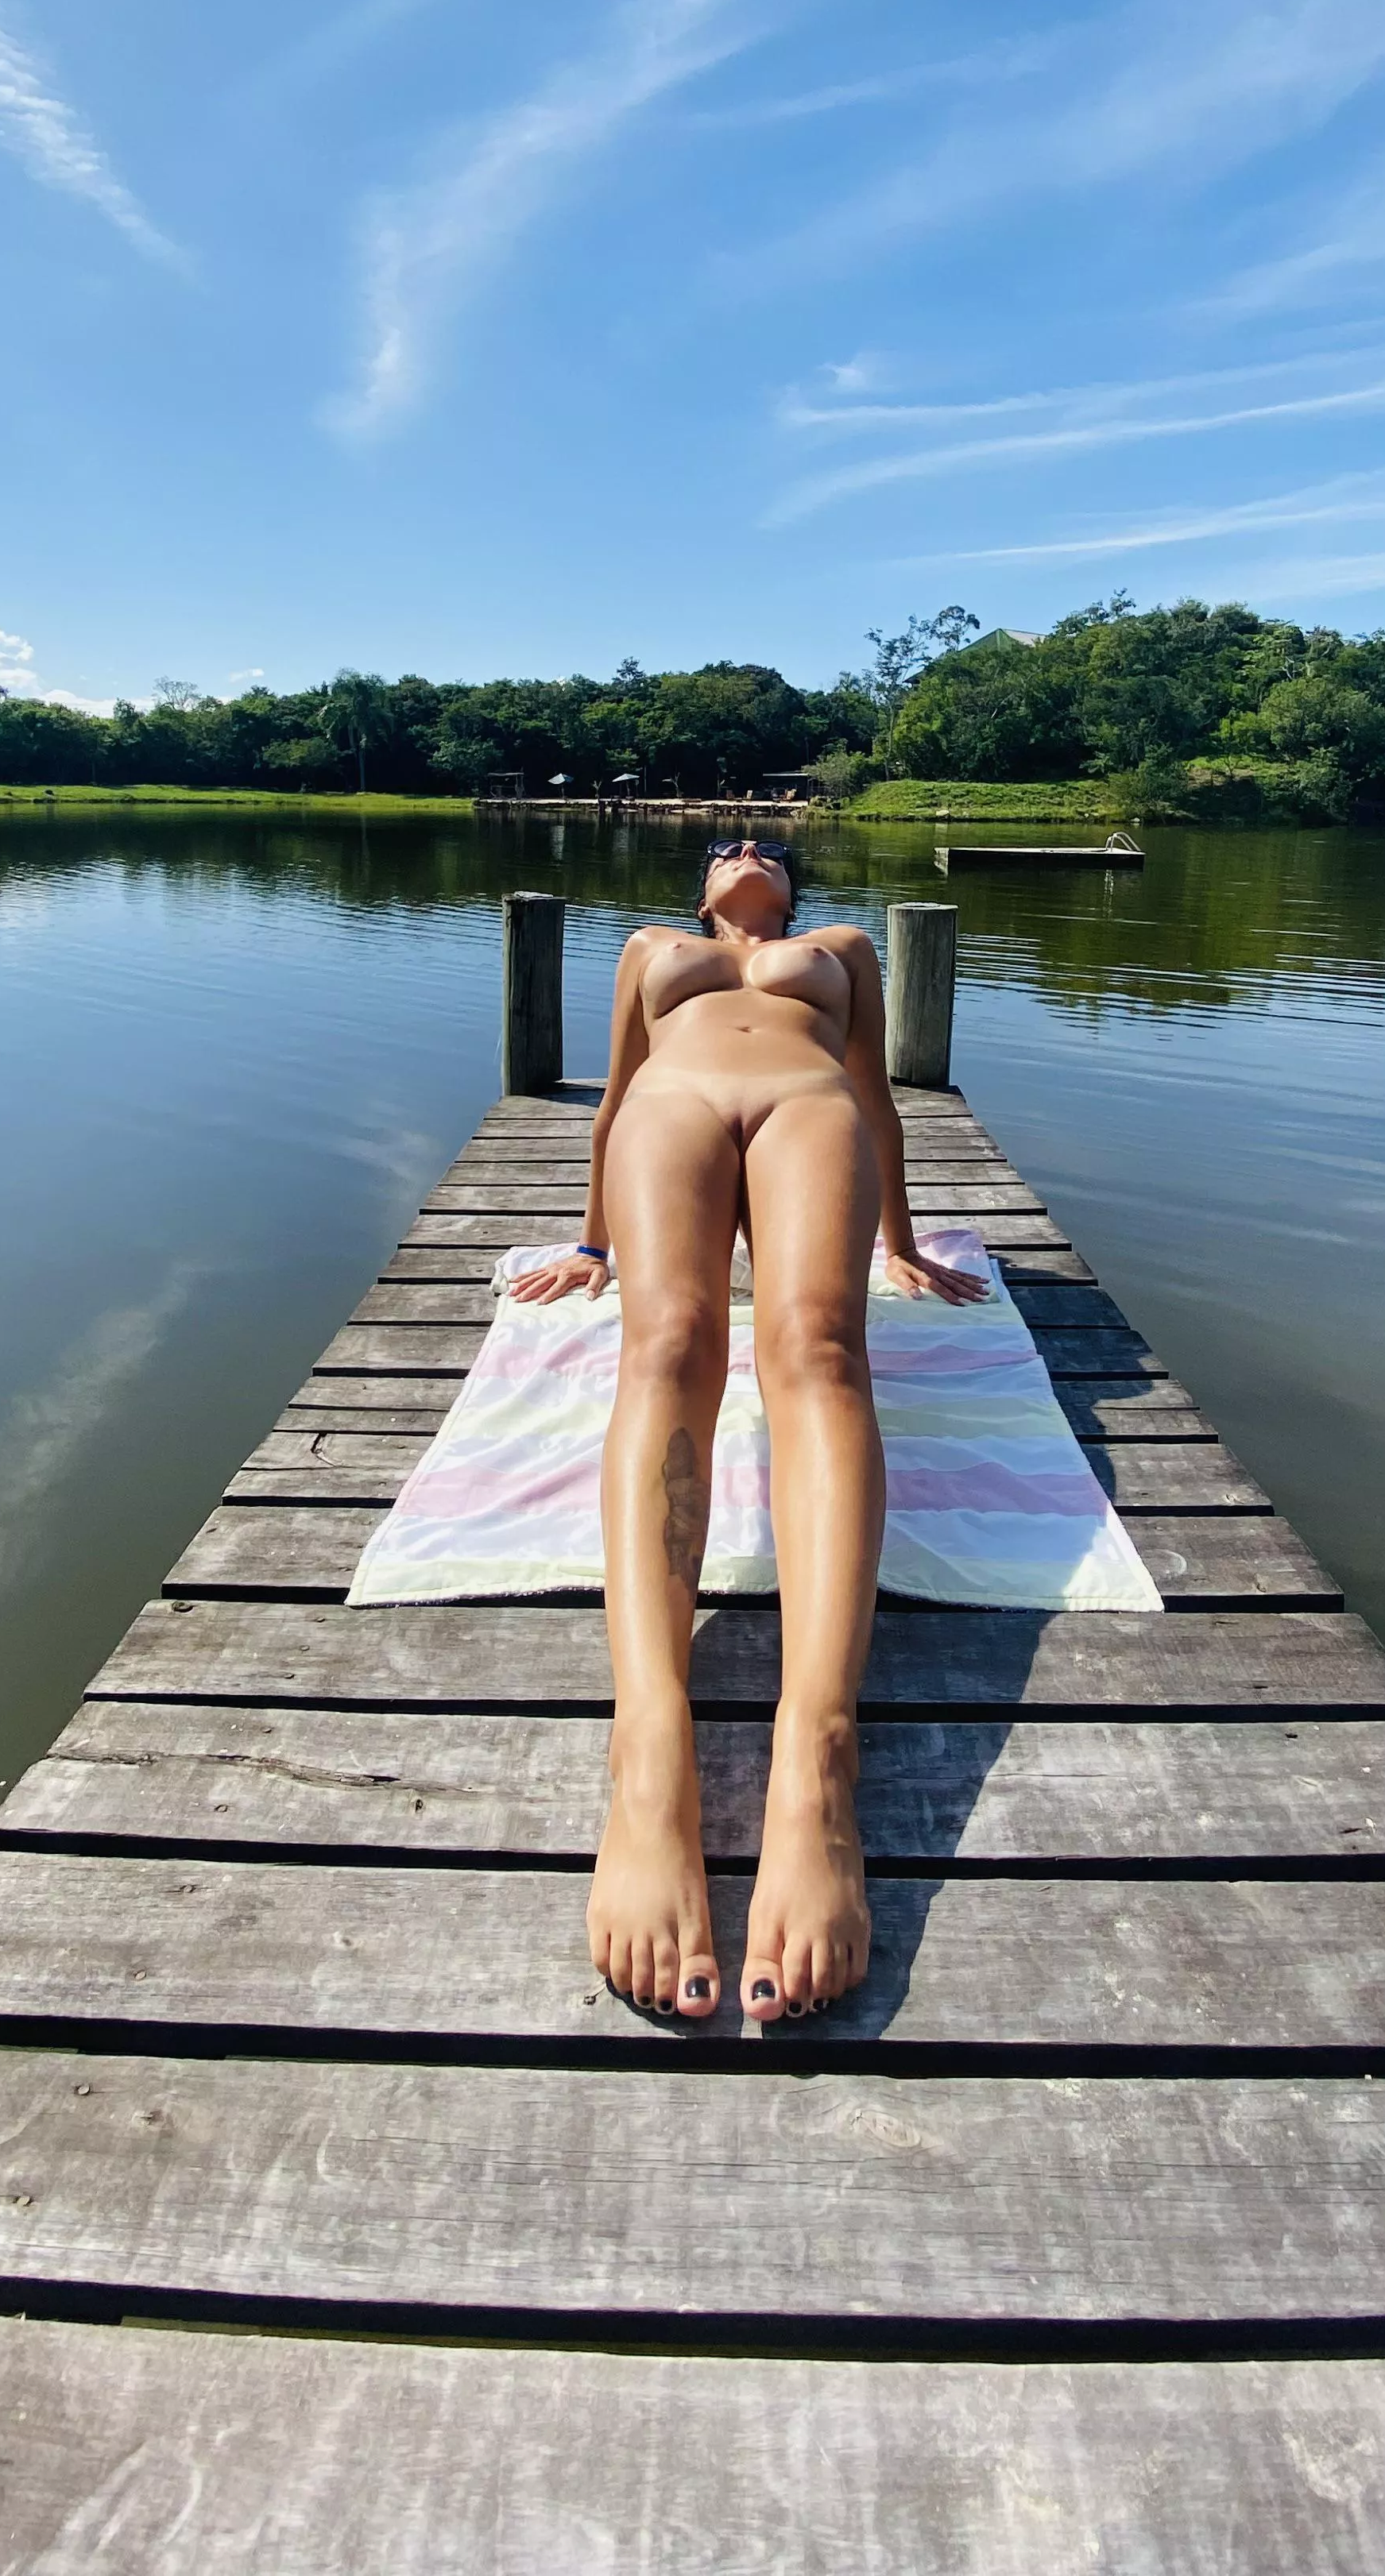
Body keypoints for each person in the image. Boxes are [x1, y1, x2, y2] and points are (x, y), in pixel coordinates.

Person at [509, 837, 986, 2025]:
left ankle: (817, 1759)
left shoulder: (842, 952)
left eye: (764, 843)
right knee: (669, 1345)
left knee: (819, 1346)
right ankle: (650, 1749)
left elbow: (873, 1093)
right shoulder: (651, 951)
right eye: (726, 845)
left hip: (808, 1110)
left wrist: (903, 1241)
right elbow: (618, 1096)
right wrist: (590, 1246)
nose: (744, 848)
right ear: (703, 889)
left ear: (788, 885)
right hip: (670, 1112)